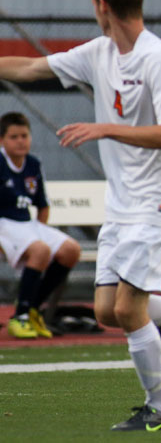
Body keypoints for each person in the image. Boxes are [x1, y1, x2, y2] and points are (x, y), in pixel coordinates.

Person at [0, 0, 161, 431]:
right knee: (108, 311)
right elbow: (27, 68)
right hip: (123, 205)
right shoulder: (98, 53)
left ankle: (160, 409)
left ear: (101, 5)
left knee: (129, 309)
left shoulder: (158, 59)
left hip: (160, 201)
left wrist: (107, 127)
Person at [0, 112, 81, 339]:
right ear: (2, 140)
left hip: (27, 223)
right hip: (4, 223)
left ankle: (34, 307)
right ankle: (21, 316)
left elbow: (42, 205)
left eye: (24, 135)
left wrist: (39, 233)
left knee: (70, 250)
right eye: (14, 136)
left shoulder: (33, 164)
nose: (20, 141)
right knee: (40, 250)